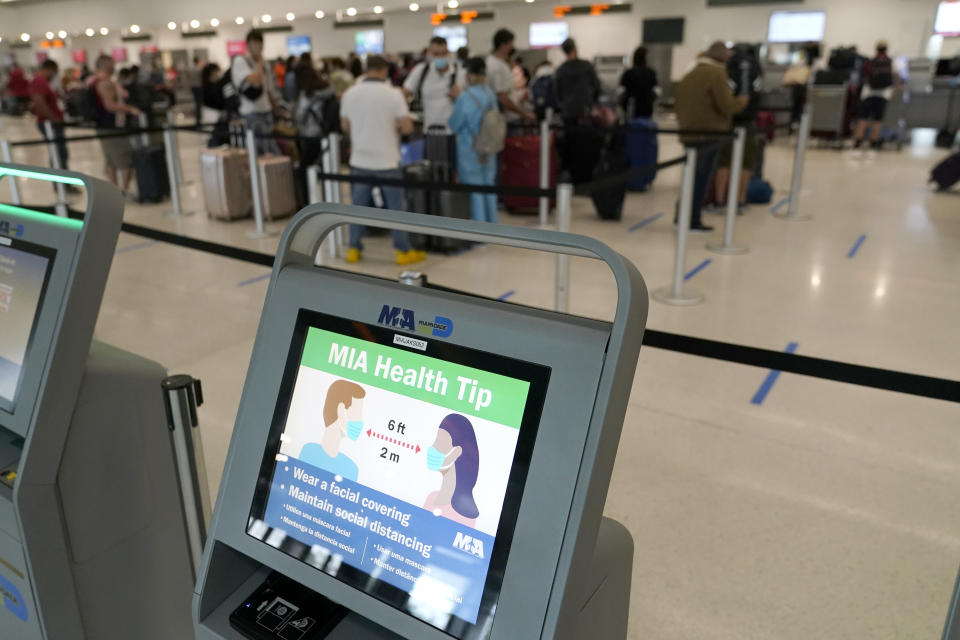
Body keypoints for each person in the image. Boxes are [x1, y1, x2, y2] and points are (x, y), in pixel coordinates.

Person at [340, 55, 426, 266]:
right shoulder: (393, 95)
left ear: (366, 69)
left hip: (360, 159)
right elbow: (407, 127)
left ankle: (353, 248)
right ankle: (402, 251)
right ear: (385, 70)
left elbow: (345, 126)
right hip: (387, 160)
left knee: (358, 207)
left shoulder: (350, 93)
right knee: (396, 209)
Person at [674, 42, 748, 233]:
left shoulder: (690, 74)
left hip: (689, 132)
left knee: (690, 178)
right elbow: (726, 105)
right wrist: (741, 102)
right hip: (708, 134)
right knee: (700, 179)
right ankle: (693, 220)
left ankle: (681, 217)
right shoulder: (716, 74)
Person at [448, 57, 500, 224]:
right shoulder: (490, 94)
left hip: (470, 148)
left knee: (473, 187)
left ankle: (479, 228)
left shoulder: (465, 97)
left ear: (468, 74)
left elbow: (454, 124)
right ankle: (493, 223)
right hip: (489, 146)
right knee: (488, 184)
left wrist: (455, 99)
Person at [714, 43, 763, 211]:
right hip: (749, 120)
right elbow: (759, 91)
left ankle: (720, 200)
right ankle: (740, 200)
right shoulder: (756, 66)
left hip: (728, 120)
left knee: (724, 162)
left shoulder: (726, 66)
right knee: (746, 162)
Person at [555, 38, 603, 185]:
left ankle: (570, 176)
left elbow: (558, 94)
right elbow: (597, 87)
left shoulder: (561, 70)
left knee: (570, 145)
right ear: (575, 48)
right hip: (585, 113)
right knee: (586, 146)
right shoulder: (586, 66)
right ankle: (585, 176)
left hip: (568, 114)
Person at [92, 55, 141, 194]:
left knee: (111, 160)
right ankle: (121, 190)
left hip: (103, 126)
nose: (114, 66)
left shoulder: (95, 81)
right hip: (112, 126)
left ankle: (115, 189)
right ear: (106, 65)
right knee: (124, 159)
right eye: (112, 63)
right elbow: (110, 105)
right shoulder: (104, 83)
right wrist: (130, 109)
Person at [298, 380, 364, 482]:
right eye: (357, 413)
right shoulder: (309, 452)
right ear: (341, 411)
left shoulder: (351, 469)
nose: (360, 421)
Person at [231, 30, 284, 155]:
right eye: (254, 43)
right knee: (259, 153)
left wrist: (277, 109)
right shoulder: (241, 61)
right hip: (251, 113)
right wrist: (260, 62)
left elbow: (268, 89)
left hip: (266, 112)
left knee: (270, 151)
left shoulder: (265, 65)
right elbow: (255, 81)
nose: (258, 47)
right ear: (248, 44)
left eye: (260, 43)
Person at [423, 414, 480, 527]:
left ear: (456, 452)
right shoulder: (432, 497)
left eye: (439, 442)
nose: (433, 447)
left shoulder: (464, 514)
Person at [402, 36, 464, 129]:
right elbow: (404, 92)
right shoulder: (421, 71)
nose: (440, 57)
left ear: (449, 53)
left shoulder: (460, 72)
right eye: (436, 54)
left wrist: (460, 96)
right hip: (427, 128)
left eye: (443, 53)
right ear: (429, 54)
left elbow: (470, 100)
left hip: (453, 130)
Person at [853, 40, 898, 151]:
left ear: (876, 48)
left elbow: (863, 76)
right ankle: (874, 142)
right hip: (883, 94)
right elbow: (896, 78)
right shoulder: (891, 62)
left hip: (868, 93)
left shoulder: (871, 61)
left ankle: (858, 140)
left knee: (863, 117)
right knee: (878, 119)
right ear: (886, 49)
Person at [30, 60, 71, 175]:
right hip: (49, 124)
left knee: (60, 153)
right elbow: (39, 102)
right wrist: (53, 119)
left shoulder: (42, 81)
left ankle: (63, 183)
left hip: (51, 122)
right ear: (50, 69)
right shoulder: (39, 81)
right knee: (58, 153)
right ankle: (62, 184)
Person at [486, 29, 535, 121]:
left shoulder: (500, 63)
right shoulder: (495, 65)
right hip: (504, 119)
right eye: (511, 43)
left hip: (508, 116)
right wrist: (524, 113)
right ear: (503, 45)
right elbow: (502, 97)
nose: (512, 47)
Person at [620, 46, 659, 119]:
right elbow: (656, 90)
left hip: (631, 107)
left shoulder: (628, 73)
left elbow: (621, 91)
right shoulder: (650, 73)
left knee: (633, 127)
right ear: (644, 58)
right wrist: (651, 98)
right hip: (647, 107)